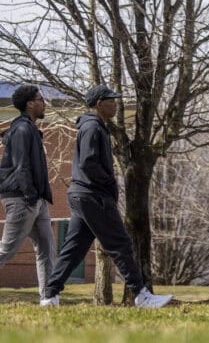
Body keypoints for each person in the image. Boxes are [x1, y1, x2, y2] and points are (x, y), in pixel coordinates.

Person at [40, 85, 172, 308]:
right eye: (112, 100)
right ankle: (141, 295)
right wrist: (110, 183)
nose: (116, 103)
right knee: (120, 243)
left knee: (74, 248)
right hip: (93, 196)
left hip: (83, 196)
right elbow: (89, 163)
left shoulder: (95, 127)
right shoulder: (93, 128)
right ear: (100, 103)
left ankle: (50, 295)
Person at [0, 84, 55, 302]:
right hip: (23, 198)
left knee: (46, 249)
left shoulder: (28, 128)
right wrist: (30, 197)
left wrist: (38, 198)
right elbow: (21, 166)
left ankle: (49, 299)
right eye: (41, 99)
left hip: (36, 199)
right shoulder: (22, 130)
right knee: (7, 250)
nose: (44, 103)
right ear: (30, 104)